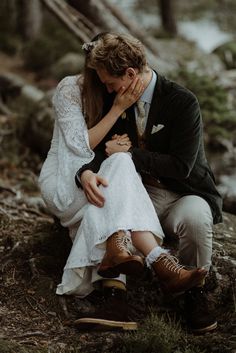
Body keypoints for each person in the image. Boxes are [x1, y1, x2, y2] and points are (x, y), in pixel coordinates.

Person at [38, 32, 208, 332]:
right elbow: (100, 151)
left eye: (109, 82)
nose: (105, 87)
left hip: (182, 191)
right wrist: (85, 172)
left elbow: (181, 167)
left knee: (186, 215)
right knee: (115, 181)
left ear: (129, 74)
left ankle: (195, 296)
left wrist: (131, 153)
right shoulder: (115, 98)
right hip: (135, 189)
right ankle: (144, 275)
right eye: (102, 81)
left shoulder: (182, 101)